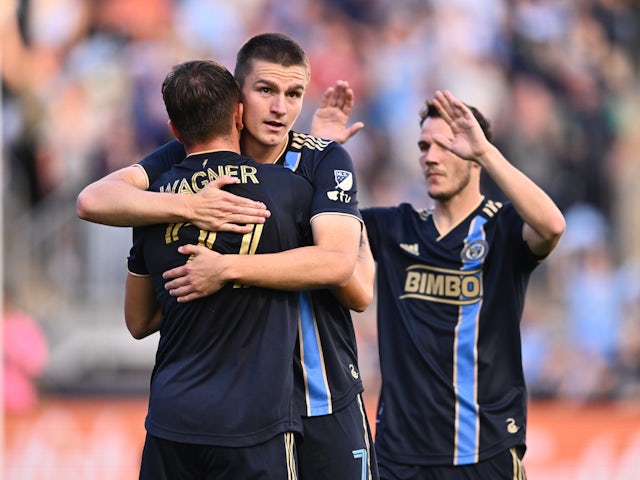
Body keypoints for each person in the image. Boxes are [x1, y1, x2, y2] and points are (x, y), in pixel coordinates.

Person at [77, 33, 378, 480]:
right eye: (266, 91)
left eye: (294, 94)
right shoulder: (185, 157)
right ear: (238, 99)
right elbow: (92, 199)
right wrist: (190, 206)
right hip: (245, 411)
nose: (281, 108)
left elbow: (353, 288)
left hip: (322, 392)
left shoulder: (321, 161)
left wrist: (228, 269)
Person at [361, 90, 566, 479]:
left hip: (482, 450)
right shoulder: (393, 227)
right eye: (423, 146)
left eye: (445, 146)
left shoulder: (502, 228)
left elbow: (552, 226)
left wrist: (487, 152)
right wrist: (323, 148)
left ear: (473, 153)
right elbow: (315, 228)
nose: (430, 157)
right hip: (398, 455)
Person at [124, 59, 313, 479]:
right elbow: (336, 270)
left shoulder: (149, 202)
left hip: (173, 421)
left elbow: (138, 321)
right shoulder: (288, 190)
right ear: (239, 115)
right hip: (255, 423)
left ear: (173, 130)